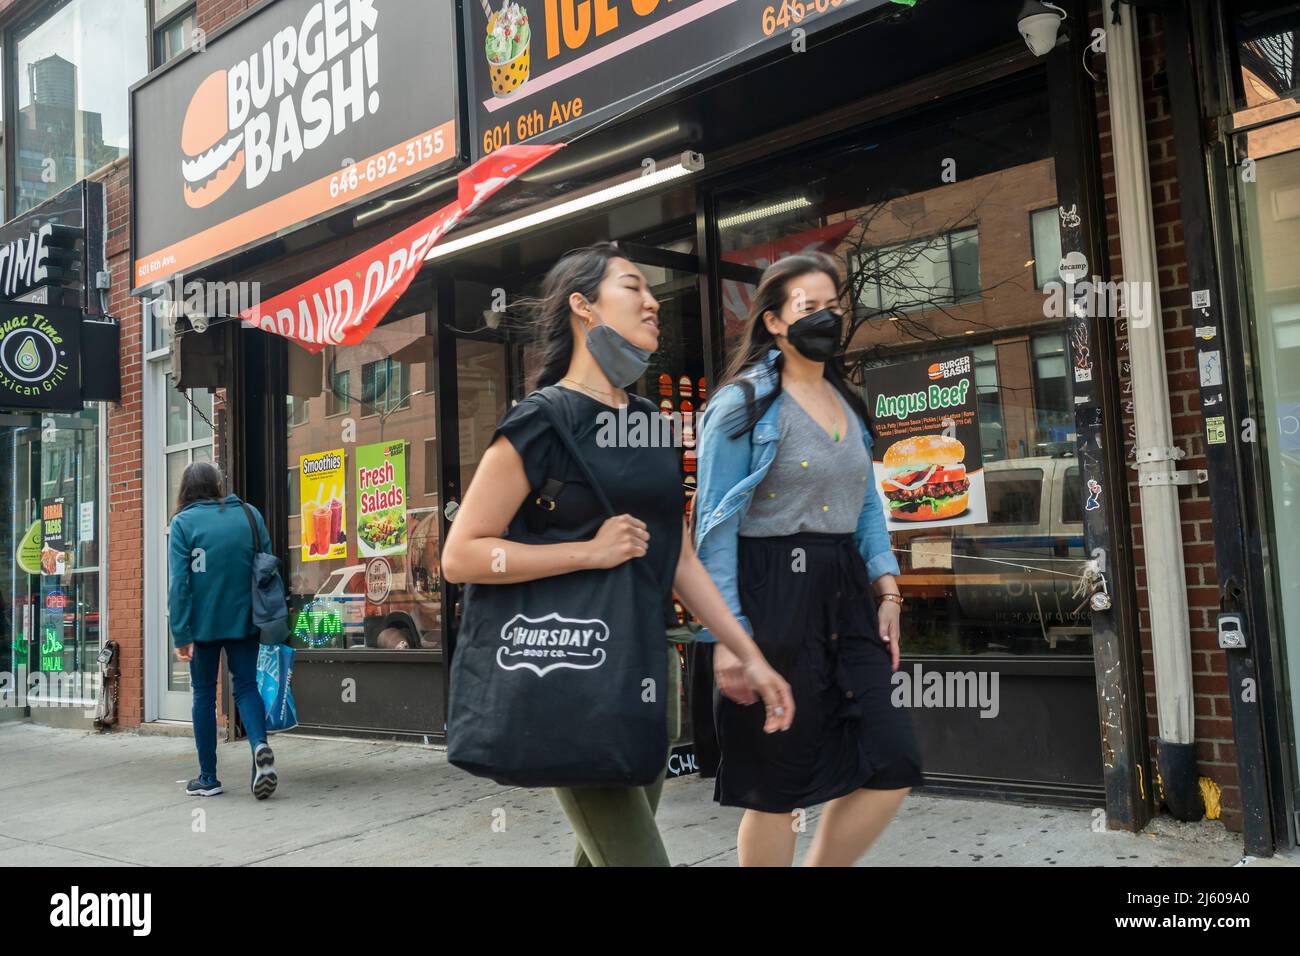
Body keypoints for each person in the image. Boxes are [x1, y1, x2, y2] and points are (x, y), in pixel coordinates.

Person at [442, 242, 795, 867]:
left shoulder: (651, 423)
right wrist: (587, 553)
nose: (654, 302)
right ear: (584, 307)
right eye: (633, 287)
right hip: (568, 671)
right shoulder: (541, 422)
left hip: (645, 666)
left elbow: (681, 561)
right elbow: (462, 555)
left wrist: (748, 654)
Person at [694, 252, 922, 866]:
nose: (827, 317)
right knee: (778, 783)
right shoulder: (743, 405)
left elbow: (866, 504)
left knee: (894, 757)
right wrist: (731, 639)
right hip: (771, 592)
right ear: (773, 321)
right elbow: (713, 530)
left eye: (834, 305)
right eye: (809, 307)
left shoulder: (846, 399)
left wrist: (889, 589)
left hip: (846, 592)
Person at [168, 461, 278, 800]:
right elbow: (267, 564)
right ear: (218, 486)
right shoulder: (249, 515)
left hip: (203, 626)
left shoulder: (183, 523)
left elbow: (179, 584)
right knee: (246, 686)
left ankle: (208, 778)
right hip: (246, 619)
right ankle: (259, 746)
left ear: (185, 490)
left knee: (203, 693)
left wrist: (181, 632)